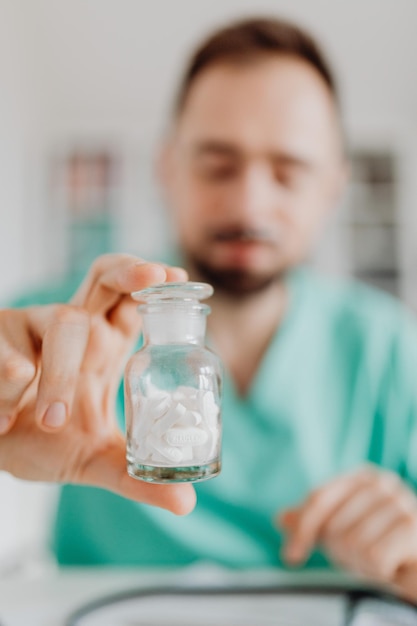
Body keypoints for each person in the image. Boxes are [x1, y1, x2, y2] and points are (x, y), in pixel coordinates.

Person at [2, 16, 417, 600]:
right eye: (217, 165)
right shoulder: (63, 326)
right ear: (166, 166)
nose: (249, 202)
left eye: (288, 171)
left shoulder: (391, 349)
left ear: (334, 185)